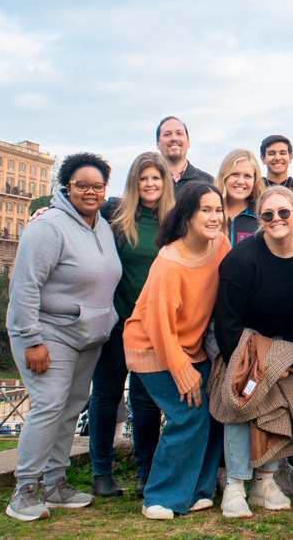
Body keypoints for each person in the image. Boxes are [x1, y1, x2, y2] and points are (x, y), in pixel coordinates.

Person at [5, 153, 123, 522]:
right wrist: (31, 339)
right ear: (66, 187)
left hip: (88, 336)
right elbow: (25, 286)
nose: (90, 191)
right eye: (81, 185)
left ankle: (54, 484)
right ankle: (23, 491)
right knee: (48, 406)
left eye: (98, 186)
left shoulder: (101, 224)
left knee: (70, 408)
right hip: (49, 333)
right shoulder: (48, 226)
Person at [214, 187, 293, 517]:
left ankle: (265, 480)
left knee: (278, 400)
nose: (276, 219)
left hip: (284, 345)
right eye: (268, 215)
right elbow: (226, 319)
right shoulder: (242, 258)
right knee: (241, 400)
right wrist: (247, 363)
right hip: (242, 343)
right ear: (260, 220)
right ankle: (234, 484)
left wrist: (290, 357)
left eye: (283, 213)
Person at [122, 182, 229, 520]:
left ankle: (198, 490)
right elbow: (157, 324)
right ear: (187, 216)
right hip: (152, 348)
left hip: (191, 347)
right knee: (189, 412)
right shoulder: (169, 261)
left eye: (218, 210)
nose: (214, 217)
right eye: (206, 210)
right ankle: (160, 497)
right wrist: (180, 368)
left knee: (213, 411)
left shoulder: (221, 245)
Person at [89, 152, 172, 499]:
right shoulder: (114, 214)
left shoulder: (175, 221)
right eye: (143, 178)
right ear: (134, 183)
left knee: (145, 402)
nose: (150, 184)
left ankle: (145, 471)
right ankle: (101, 471)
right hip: (116, 323)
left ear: (165, 183)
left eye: (156, 178)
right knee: (106, 397)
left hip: (152, 327)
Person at [215, 149, 265, 245]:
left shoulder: (261, 216)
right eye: (235, 174)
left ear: (255, 180)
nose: (241, 181)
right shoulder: (209, 213)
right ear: (224, 176)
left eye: (247, 176)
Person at [155, 116, 214, 195]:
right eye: (167, 134)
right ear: (158, 144)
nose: (174, 138)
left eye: (179, 134)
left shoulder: (207, 182)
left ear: (188, 142)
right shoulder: (150, 184)